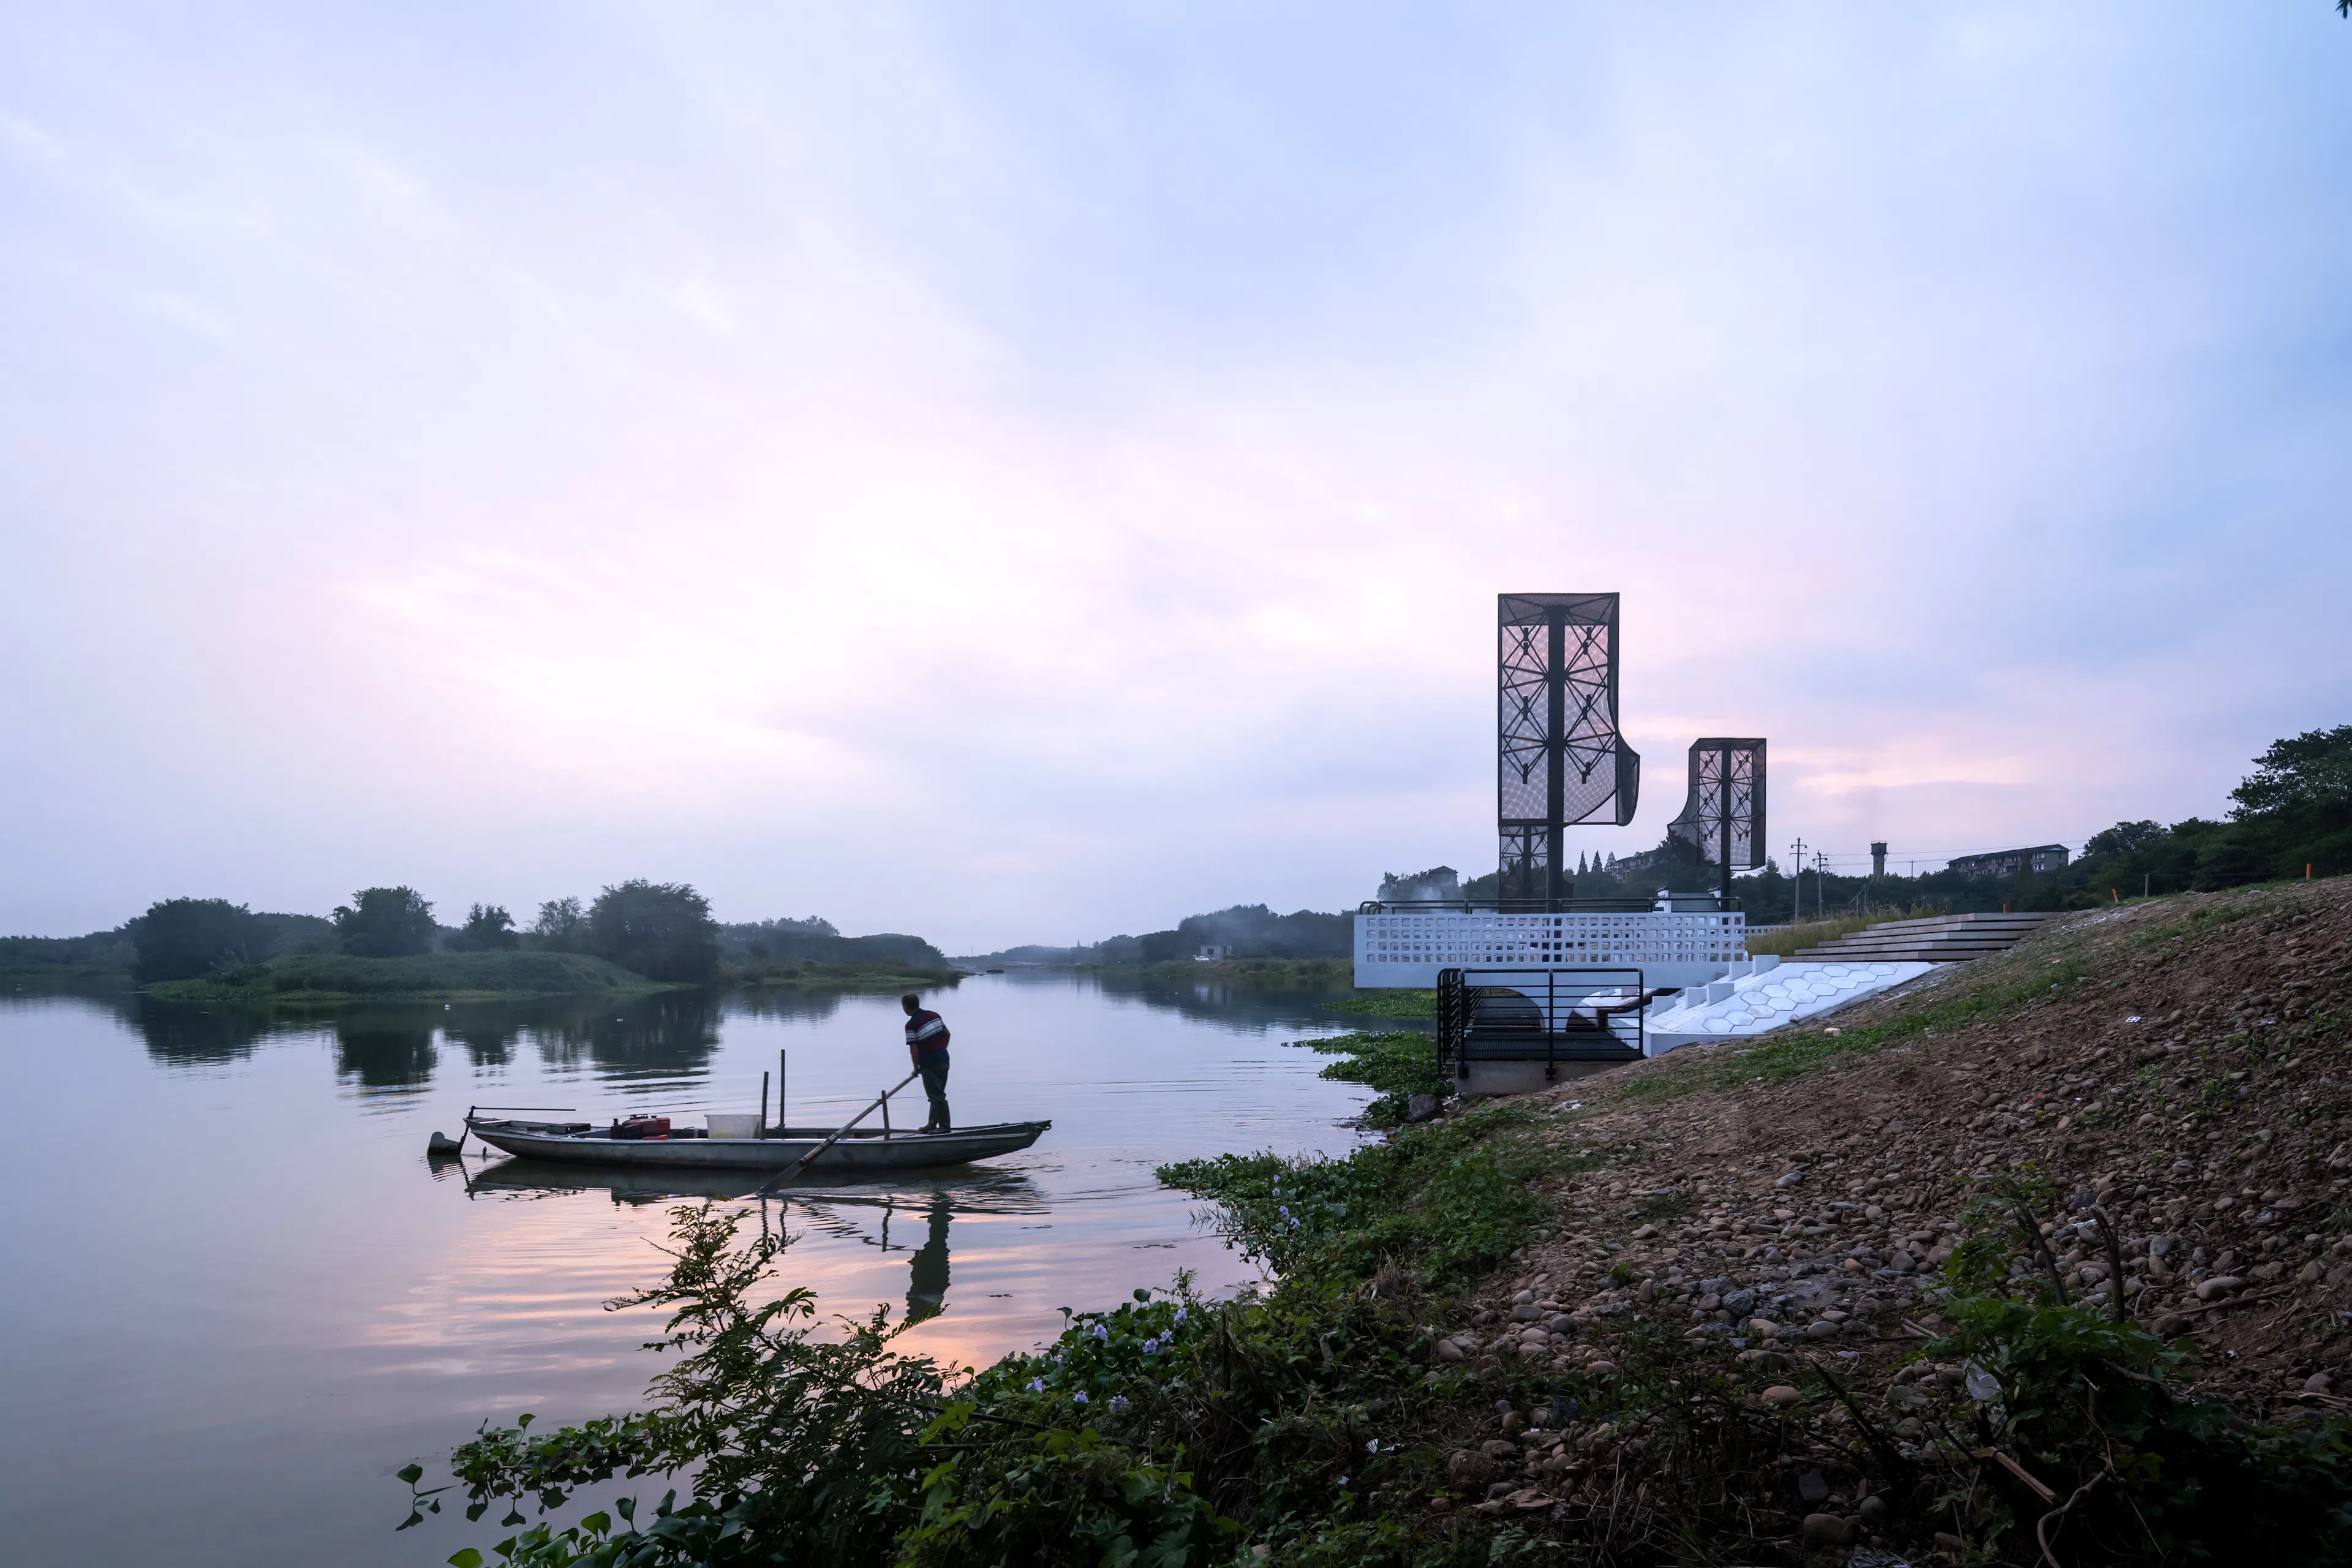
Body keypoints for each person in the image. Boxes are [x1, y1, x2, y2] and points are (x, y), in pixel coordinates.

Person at [903, 993, 951, 1133]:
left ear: (906, 1007)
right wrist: (942, 1049)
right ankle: (932, 1124)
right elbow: (947, 1034)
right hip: (944, 1059)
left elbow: (914, 1050)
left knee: (936, 1096)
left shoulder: (911, 1025)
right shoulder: (934, 1015)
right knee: (936, 1094)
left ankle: (944, 1127)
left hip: (930, 1064)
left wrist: (916, 1068)